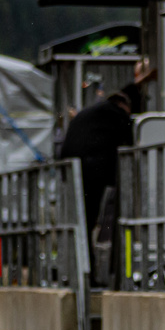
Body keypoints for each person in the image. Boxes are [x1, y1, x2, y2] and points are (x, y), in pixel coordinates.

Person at [57, 90, 134, 232]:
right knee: (91, 210)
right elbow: (129, 141)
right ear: (123, 105)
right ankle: (88, 240)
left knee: (80, 210)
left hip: (72, 165)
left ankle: (84, 241)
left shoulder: (91, 113)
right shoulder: (116, 113)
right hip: (92, 167)